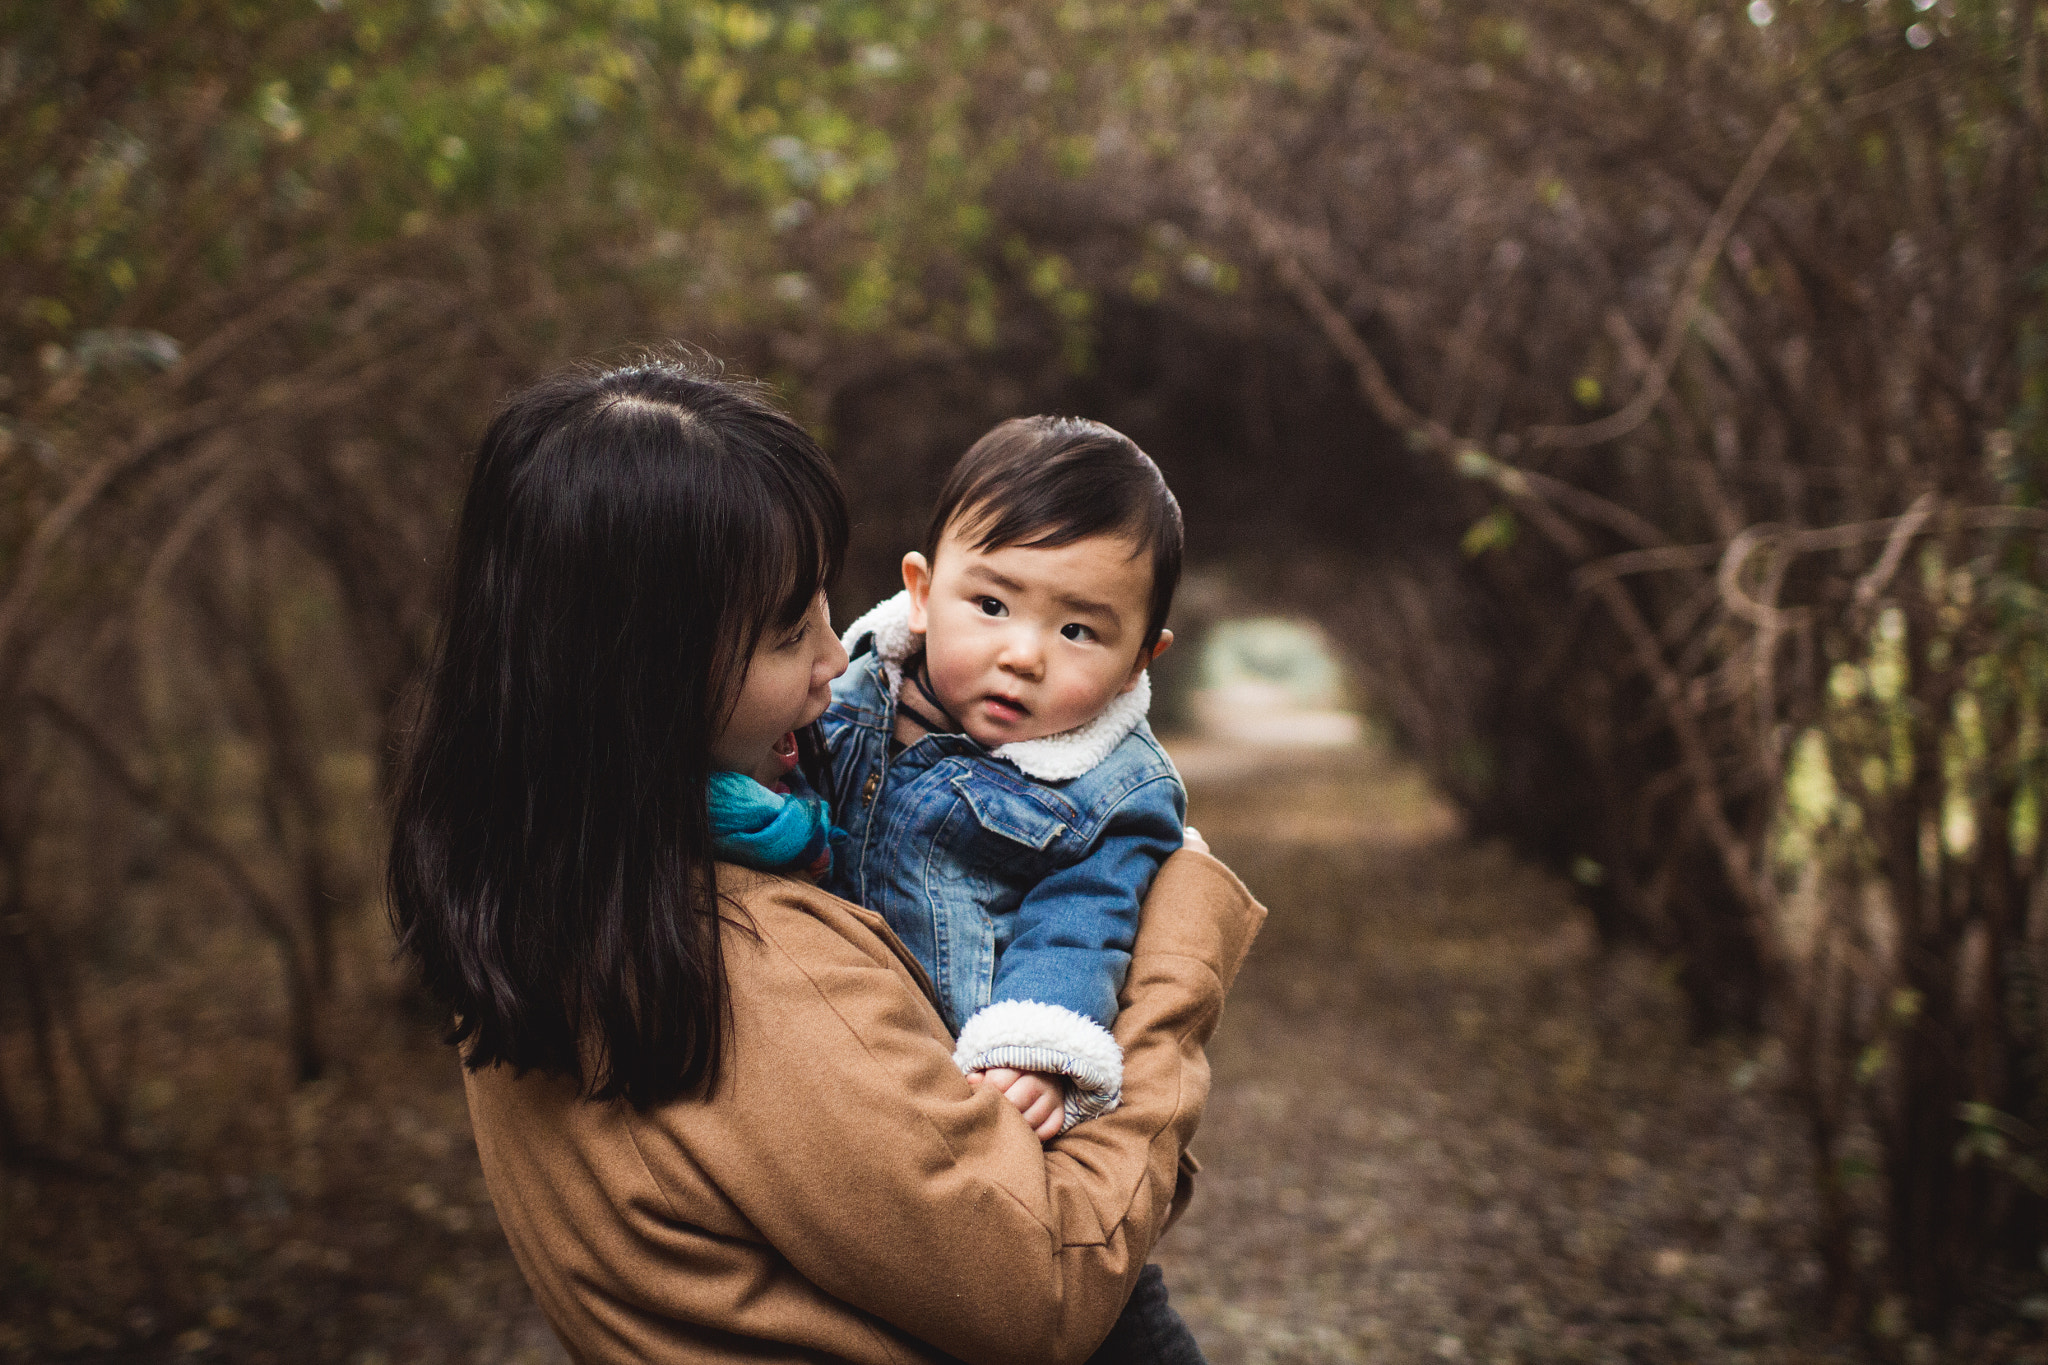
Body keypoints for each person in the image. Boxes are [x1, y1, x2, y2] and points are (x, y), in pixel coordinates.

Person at [386, 356, 1264, 1365]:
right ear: (641, 678)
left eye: (817, 607)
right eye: (781, 632)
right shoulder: (753, 958)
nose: (830, 665)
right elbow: (1049, 1284)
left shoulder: (533, 879)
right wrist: (1173, 968)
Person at [819, 416, 1203, 1359]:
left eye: (1078, 630)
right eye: (991, 605)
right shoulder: (842, 696)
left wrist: (1039, 1043)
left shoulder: (1112, 788)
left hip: (994, 1119)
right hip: (852, 1090)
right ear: (922, 590)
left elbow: (1086, 920)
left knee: (1105, 1320)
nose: (1025, 653)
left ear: (1139, 659)